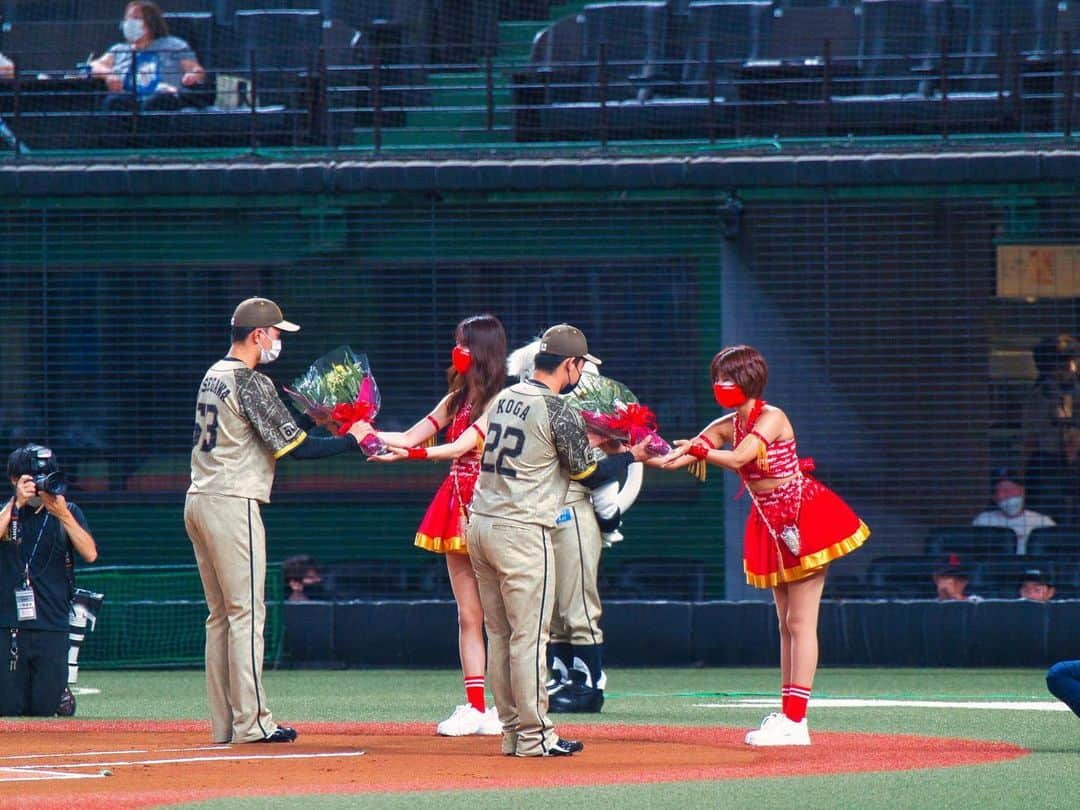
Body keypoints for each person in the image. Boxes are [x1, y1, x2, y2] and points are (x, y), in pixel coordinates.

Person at [657, 345, 869, 747]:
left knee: (800, 623)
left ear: (748, 381)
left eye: (729, 378)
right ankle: (789, 716)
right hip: (771, 524)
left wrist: (700, 449)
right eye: (717, 377)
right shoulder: (726, 423)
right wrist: (634, 445)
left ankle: (796, 721)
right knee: (785, 625)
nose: (721, 385)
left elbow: (740, 458)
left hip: (802, 517)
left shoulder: (772, 418)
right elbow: (674, 457)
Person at [184, 297, 370, 745]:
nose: (279, 340)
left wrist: (310, 417)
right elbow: (296, 449)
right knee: (246, 613)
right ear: (257, 335)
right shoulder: (252, 381)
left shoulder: (215, 373)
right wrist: (352, 439)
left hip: (199, 499)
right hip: (233, 501)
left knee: (220, 617)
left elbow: (265, 431)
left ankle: (226, 724)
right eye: (276, 333)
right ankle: (252, 723)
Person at [467, 324, 650, 757]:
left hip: (481, 524)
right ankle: (534, 736)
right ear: (570, 364)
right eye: (580, 364)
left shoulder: (505, 397)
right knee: (530, 637)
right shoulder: (557, 408)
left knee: (500, 634)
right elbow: (590, 472)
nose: (580, 372)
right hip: (522, 530)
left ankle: (512, 730)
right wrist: (630, 455)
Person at [369, 314, 507, 737]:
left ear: (481, 349)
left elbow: (464, 446)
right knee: (469, 615)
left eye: (462, 343)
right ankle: (477, 706)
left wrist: (408, 457)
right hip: (457, 505)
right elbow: (413, 435)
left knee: (503, 618)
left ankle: (507, 705)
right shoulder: (457, 397)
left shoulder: (504, 399)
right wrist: (360, 430)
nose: (456, 351)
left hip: (493, 507)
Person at [0, 445, 98, 717]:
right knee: (8, 709)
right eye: (32, 479)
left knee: (43, 710)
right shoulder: (6, 513)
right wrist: (16, 504)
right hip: (9, 625)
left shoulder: (68, 512)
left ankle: (60, 693)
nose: (40, 486)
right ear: (15, 480)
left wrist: (63, 514)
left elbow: (90, 553)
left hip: (52, 624)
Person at [90, 2, 207, 113]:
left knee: (157, 101)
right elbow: (94, 65)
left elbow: (195, 70)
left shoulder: (174, 45)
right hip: (130, 99)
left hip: (163, 96)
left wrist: (192, 75)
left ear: (151, 23)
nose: (130, 23)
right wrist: (109, 75)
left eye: (136, 18)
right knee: (114, 101)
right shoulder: (119, 49)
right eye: (127, 19)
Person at [972, 470, 1054, 555]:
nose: (1006, 495)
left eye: (1009, 490)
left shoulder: (1043, 522)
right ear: (994, 497)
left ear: (1022, 491)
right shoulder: (983, 521)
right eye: (1001, 491)